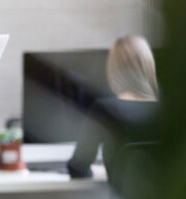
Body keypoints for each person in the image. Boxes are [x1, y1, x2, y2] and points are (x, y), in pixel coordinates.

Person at [67, 35, 159, 186]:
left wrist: (103, 172)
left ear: (114, 69)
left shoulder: (105, 109)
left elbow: (77, 168)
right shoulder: (171, 112)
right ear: (148, 67)